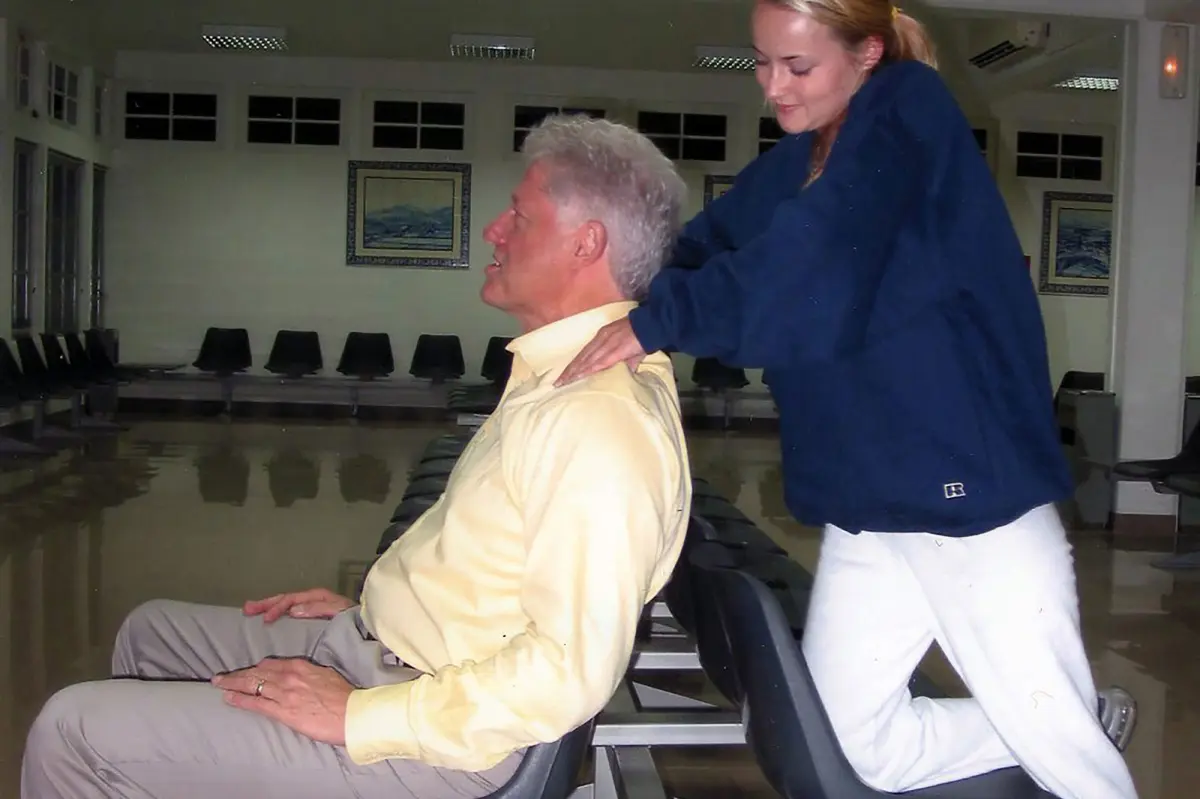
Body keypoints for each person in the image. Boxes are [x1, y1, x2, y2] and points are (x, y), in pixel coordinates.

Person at [557, 2, 1139, 798]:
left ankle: (1067, 728)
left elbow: (816, 258)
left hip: (970, 504)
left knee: (1077, 773)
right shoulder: (801, 158)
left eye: (798, 67)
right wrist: (609, 290)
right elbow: (711, 242)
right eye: (762, 62)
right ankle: (1073, 718)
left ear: (868, 53)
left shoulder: (907, 111)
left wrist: (660, 321)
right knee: (852, 744)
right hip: (872, 508)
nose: (773, 87)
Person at [21, 114, 692, 799]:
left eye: (518, 215)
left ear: (586, 243)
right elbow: (496, 560)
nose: (494, 230)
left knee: (69, 731)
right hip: (390, 650)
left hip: (438, 735)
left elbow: (568, 671)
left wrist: (355, 714)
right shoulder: (554, 379)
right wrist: (379, 609)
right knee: (151, 635)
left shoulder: (598, 419)